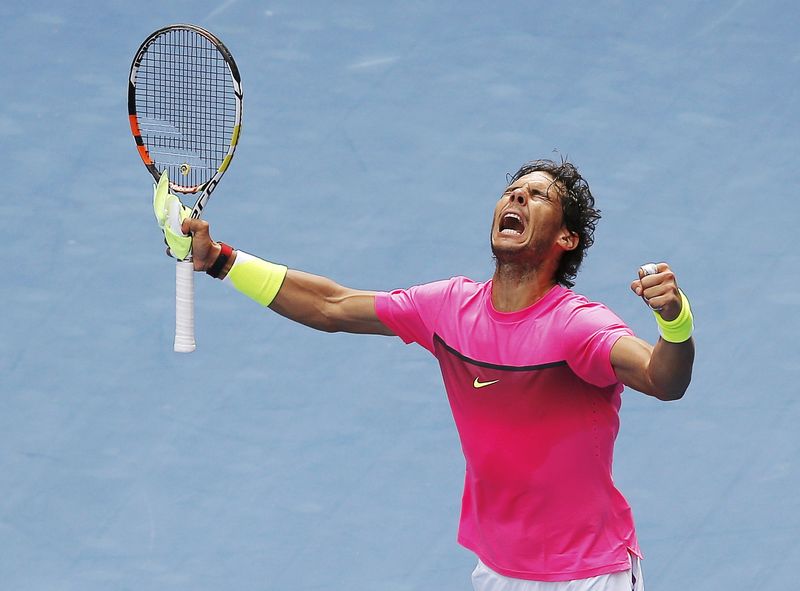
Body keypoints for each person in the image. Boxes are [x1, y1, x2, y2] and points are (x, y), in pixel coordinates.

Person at [159, 158, 695, 591]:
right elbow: (331, 305)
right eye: (513, 191)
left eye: (538, 196)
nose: (516, 198)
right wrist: (221, 259)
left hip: (589, 575)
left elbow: (663, 379)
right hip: (499, 571)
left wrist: (674, 321)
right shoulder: (448, 309)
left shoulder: (576, 328)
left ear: (567, 239)